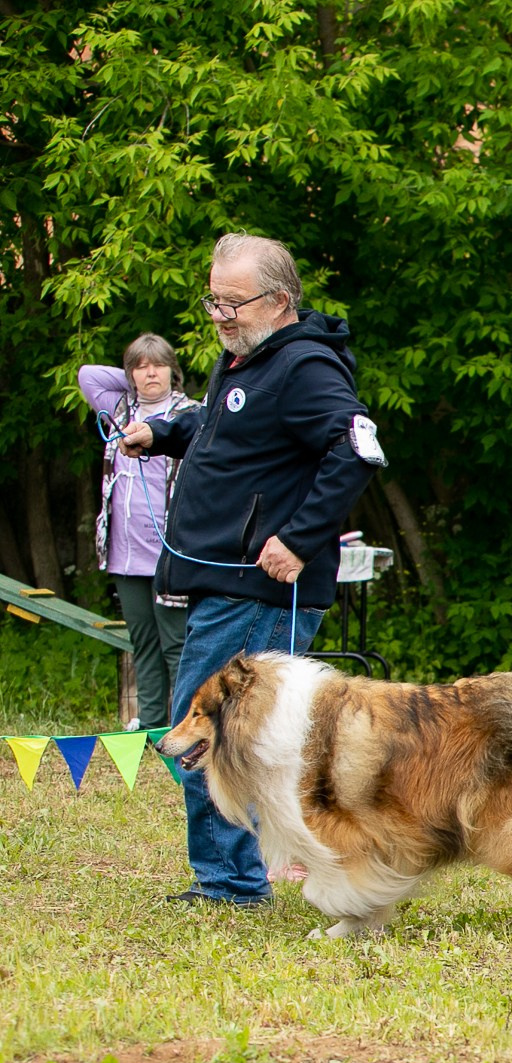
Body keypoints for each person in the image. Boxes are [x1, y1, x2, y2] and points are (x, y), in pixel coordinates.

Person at [120, 233, 384, 908]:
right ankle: (244, 872)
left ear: (279, 300)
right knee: (231, 740)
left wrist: (297, 538)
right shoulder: (246, 358)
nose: (218, 314)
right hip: (223, 579)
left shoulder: (305, 368)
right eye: (213, 298)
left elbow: (355, 450)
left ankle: (229, 884)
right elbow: (229, 428)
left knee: (206, 735)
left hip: (260, 589)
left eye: (232, 302)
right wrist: (168, 433)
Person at [79, 335, 195, 730]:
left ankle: (182, 729)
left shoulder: (187, 412)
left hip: (171, 551)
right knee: (144, 644)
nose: (151, 373)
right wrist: (132, 381)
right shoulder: (119, 408)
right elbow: (87, 375)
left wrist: (149, 376)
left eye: (159, 365)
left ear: (173, 370)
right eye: (142, 366)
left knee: (176, 647)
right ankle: (149, 727)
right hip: (125, 553)